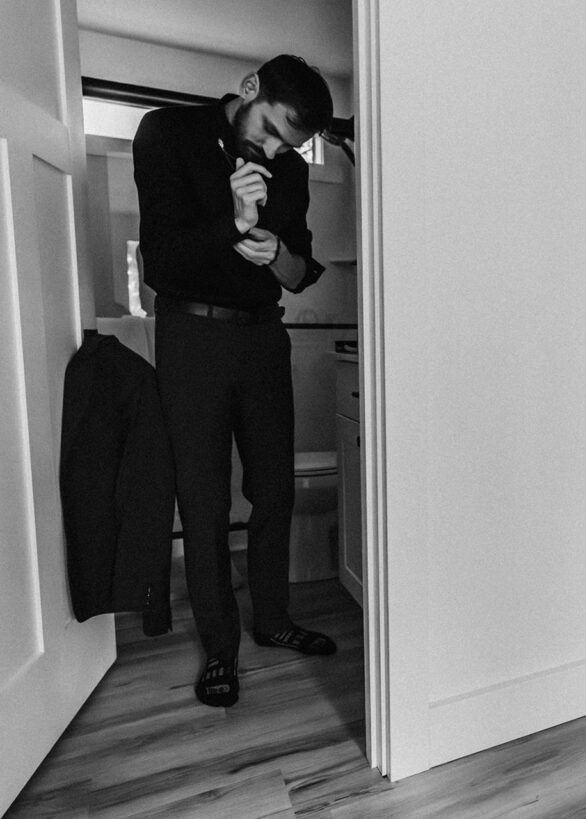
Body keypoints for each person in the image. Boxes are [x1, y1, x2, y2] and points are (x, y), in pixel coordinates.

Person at [133, 55, 337, 707]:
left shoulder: (293, 170)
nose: (278, 151)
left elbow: (300, 268)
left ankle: (273, 619)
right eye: (274, 131)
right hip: (190, 336)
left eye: (291, 143)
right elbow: (160, 259)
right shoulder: (167, 132)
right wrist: (235, 225)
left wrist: (275, 253)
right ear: (249, 89)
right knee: (203, 500)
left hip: (262, 335)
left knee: (274, 488)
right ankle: (219, 648)